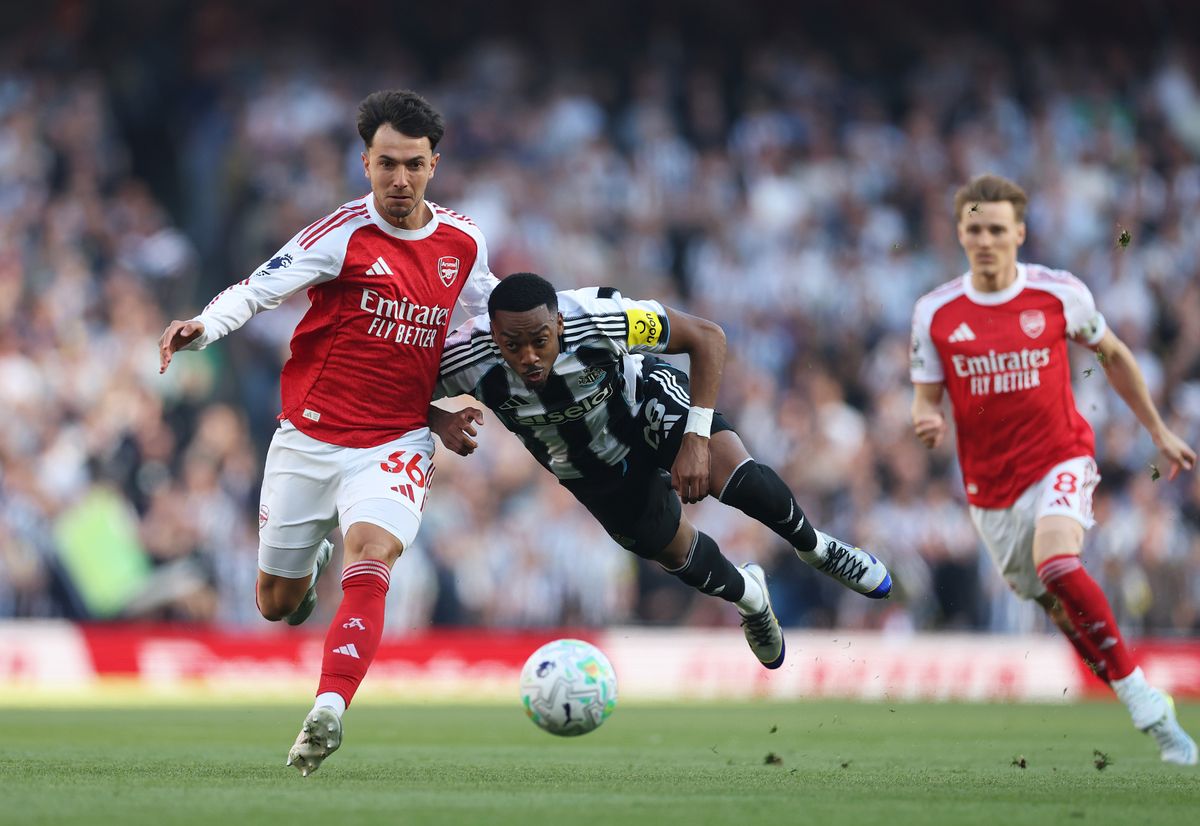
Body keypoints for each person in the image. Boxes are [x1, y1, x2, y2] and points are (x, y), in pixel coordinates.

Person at [158, 90, 498, 776]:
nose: (399, 180)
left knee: (371, 559)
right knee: (277, 604)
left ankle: (329, 709)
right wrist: (203, 327)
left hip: (395, 441)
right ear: (365, 162)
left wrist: (452, 405)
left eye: (412, 164)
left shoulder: (463, 241)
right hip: (308, 441)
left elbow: (491, 314)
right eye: (385, 165)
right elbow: (257, 289)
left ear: (435, 163)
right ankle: (304, 573)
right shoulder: (340, 235)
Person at [429, 273, 892, 670]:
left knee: (733, 475)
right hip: (591, 470)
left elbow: (707, 336)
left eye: (540, 340)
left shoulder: (600, 316)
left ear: (560, 323)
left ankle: (817, 548)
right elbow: (384, 393)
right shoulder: (463, 359)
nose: (528, 355)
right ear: (492, 333)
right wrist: (440, 420)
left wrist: (694, 437)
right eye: (513, 344)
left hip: (642, 404)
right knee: (674, 554)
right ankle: (750, 596)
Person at [910, 174, 1198, 765]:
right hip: (989, 490)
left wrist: (1159, 430)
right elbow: (926, 396)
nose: (985, 239)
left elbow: (1112, 355)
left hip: (1061, 455)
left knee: (1059, 559)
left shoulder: (1059, 293)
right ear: (960, 233)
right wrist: (927, 420)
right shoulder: (935, 313)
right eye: (974, 228)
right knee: (1055, 602)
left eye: (996, 228)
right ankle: (1136, 691)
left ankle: (1142, 700)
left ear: (1019, 232)